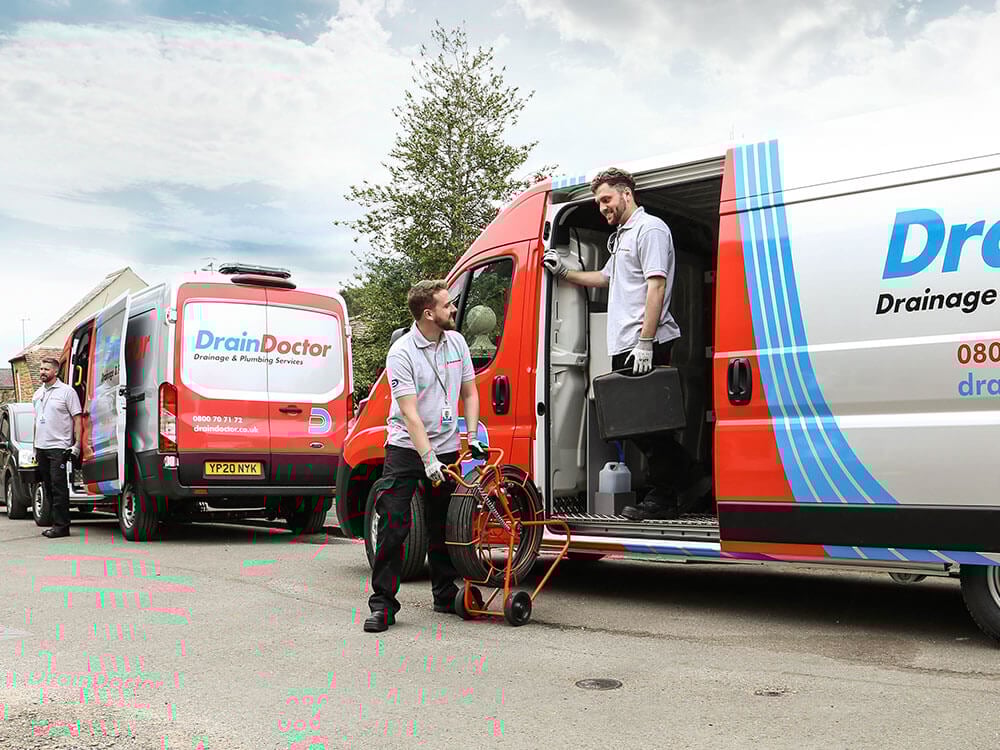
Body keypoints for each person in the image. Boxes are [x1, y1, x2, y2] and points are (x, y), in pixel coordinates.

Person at [543, 167, 709, 520]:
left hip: (644, 341)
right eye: (599, 202)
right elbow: (605, 278)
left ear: (626, 194)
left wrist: (646, 341)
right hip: (626, 344)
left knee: (648, 426)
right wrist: (564, 273)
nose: (603, 207)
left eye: (607, 199)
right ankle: (690, 477)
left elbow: (656, 286)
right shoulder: (622, 237)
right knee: (635, 425)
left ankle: (667, 494)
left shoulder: (650, 230)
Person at [364, 280, 487, 633]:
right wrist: (427, 458)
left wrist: (471, 436)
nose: (454, 309)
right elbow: (410, 413)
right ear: (429, 313)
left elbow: (470, 393)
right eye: (448, 305)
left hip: (446, 446)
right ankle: (383, 605)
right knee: (394, 524)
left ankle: (445, 595)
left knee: (443, 524)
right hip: (406, 448)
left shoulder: (457, 343)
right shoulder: (401, 353)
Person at [31, 356, 82, 538]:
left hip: (59, 446)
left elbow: (77, 419)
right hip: (41, 447)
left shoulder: (67, 392)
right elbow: (37, 421)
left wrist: (77, 444)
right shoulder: (38, 394)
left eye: (46, 369)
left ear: (56, 371)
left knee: (58, 486)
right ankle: (56, 524)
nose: (42, 372)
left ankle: (62, 526)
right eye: (41, 369)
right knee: (48, 486)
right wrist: (34, 447)